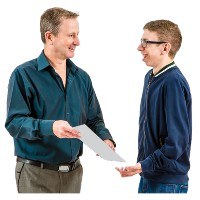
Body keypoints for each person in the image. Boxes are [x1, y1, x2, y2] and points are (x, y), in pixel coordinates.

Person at [5, 7, 115, 193]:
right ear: (50, 37)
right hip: (36, 175)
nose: (77, 42)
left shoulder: (82, 77)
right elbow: (14, 123)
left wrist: (105, 139)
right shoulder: (23, 74)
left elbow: (94, 119)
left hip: (74, 175)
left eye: (78, 35)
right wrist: (51, 127)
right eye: (71, 35)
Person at [116, 20, 192, 193]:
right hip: (150, 176)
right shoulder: (150, 77)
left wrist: (144, 165)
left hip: (167, 183)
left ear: (165, 48)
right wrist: (141, 167)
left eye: (146, 42)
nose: (139, 47)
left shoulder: (172, 82)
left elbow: (177, 143)